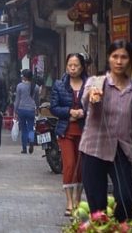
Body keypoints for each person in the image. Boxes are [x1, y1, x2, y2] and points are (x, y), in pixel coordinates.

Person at [81, 40, 132, 223]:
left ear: (129, 60)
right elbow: (85, 102)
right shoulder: (96, 82)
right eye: (115, 57)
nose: (119, 61)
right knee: (97, 206)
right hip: (94, 149)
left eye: (124, 57)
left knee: (126, 197)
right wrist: (92, 96)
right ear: (109, 59)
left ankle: (121, 226)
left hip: (120, 149)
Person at [51, 53, 89, 216]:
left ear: (82, 67)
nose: (73, 68)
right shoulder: (59, 85)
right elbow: (54, 107)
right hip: (65, 131)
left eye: (76, 66)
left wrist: (83, 112)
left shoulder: (89, 85)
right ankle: (69, 202)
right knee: (69, 165)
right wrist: (69, 111)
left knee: (81, 167)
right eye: (70, 65)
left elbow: (96, 106)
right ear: (66, 66)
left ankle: (78, 200)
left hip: (84, 132)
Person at [14, 70, 38, 154]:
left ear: (24, 76)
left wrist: (15, 111)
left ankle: (24, 148)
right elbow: (37, 100)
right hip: (31, 110)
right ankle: (31, 141)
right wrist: (37, 109)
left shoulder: (20, 86)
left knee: (23, 129)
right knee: (31, 128)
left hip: (22, 109)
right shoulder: (36, 87)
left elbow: (17, 100)